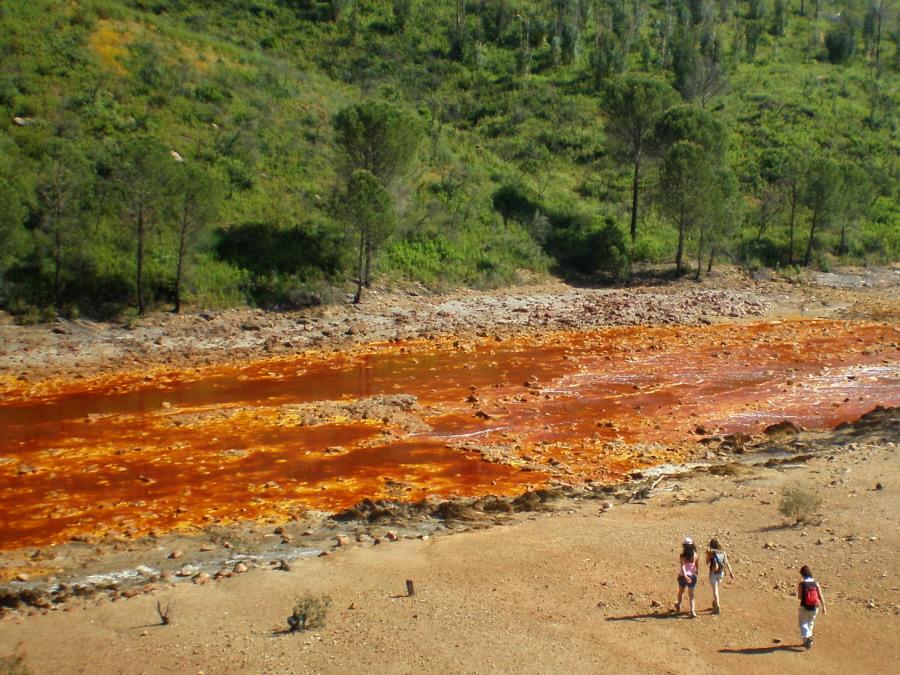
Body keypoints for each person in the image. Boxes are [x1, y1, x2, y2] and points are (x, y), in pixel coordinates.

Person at [797, 565, 826, 649]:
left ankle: (808, 637)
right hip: (815, 607)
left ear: (802, 574)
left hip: (804, 606)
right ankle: (806, 641)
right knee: (810, 623)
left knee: (803, 623)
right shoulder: (815, 583)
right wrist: (824, 607)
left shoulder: (802, 584)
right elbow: (820, 595)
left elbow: (799, 597)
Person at [706, 538, 736, 614]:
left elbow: (707, 563)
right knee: (717, 588)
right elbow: (727, 563)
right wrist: (731, 572)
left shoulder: (711, 552)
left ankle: (717, 607)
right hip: (721, 573)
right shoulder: (722, 552)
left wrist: (708, 555)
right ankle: (715, 602)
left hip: (713, 573)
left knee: (715, 591)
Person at [675, 537, 699, 618]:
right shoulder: (695, 554)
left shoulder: (682, 556)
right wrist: (696, 572)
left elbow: (683, 566)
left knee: (681, 592)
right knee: (691, 595)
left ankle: (678, 604)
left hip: (682, 576)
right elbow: (697, 565)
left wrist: (685, 575)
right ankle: (692, 610)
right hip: (692, 576)